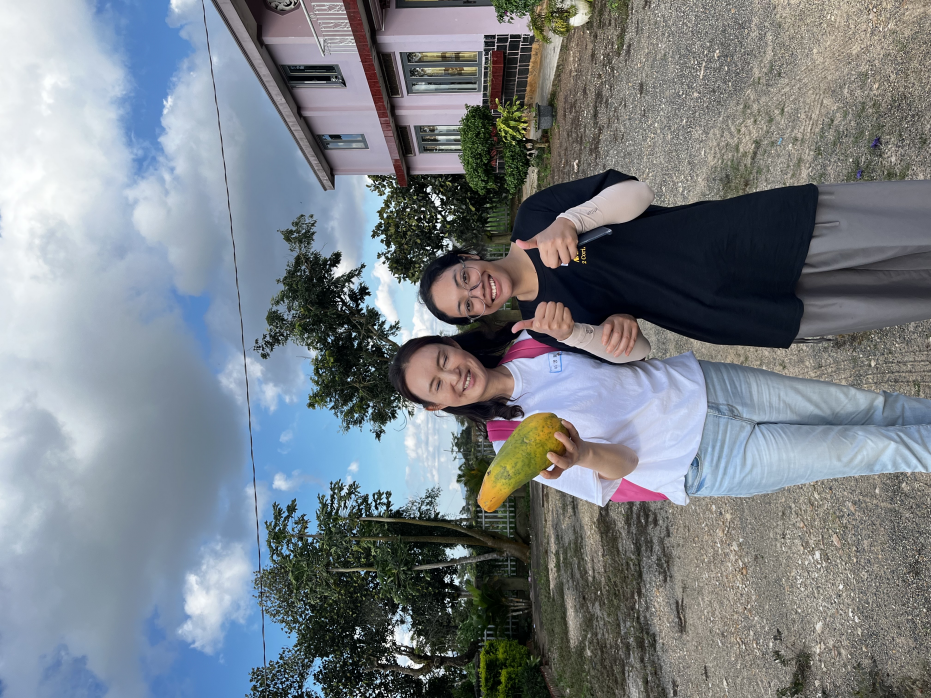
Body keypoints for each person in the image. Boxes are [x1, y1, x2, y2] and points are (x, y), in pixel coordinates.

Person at [388, 305, 931, 506]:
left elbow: (633, 351)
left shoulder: (527, 338)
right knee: (866, 449)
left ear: (452, 344)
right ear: (437, 408)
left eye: (442, 359)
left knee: (869, 406)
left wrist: (595, 327)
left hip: (708, 386)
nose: (452, 376)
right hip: (703, 460)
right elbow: (625, 467)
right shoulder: (509, 446)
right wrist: (582, 454)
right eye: (436, 386)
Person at [418, 170, 931, 357]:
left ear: (469, 258)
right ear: (477, 316)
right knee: (892, 294)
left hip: (736, 238)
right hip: (723, 309)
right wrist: (585, 333)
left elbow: (637, 192)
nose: (478, 291)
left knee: (896, 227)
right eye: (467, 305)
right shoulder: (545, 327)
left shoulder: (535, 216)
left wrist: (572, 220)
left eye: (464, 278)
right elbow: (639, 353)